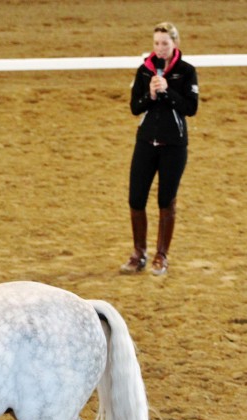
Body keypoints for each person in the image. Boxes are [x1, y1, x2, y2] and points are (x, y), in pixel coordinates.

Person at [121, 22, 199, 275]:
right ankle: (138, 253)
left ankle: (161, 255)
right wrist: (151, 96)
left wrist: (167, 93)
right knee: (136, 199)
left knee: (166, 201)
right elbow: (135, 107)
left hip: (174, 146)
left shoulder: (186, 72)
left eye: (165, 43)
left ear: (174, 43)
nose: (160, 48)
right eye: (156, 43)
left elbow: (191, 108)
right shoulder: (144, 71)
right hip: (146, 143)